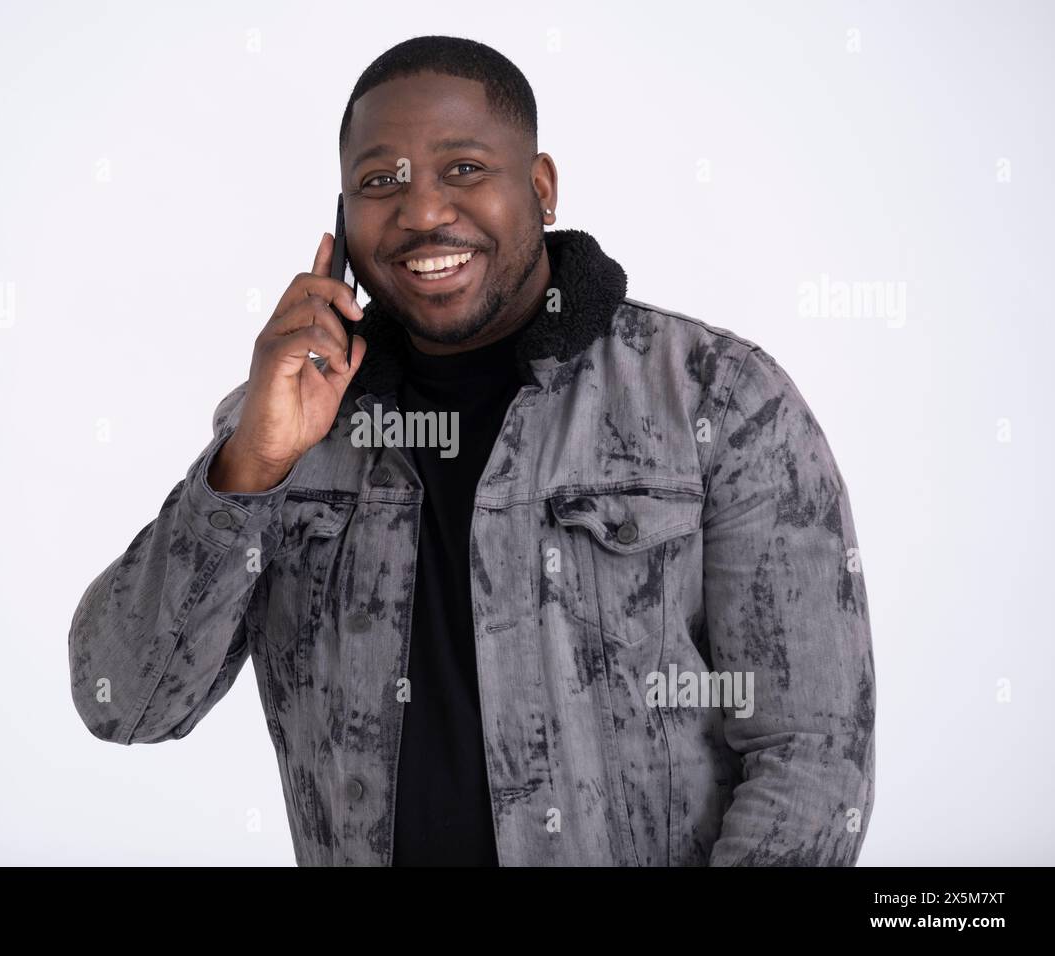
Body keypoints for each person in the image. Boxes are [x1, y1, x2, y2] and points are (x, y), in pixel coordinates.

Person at [67, 35, 875, 867]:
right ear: (342, 225)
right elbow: (124, 702)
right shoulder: (284, 426)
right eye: (380, 182)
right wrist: (253, 466)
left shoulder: (717, 396)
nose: (421, 213)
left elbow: (813, 756)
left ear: (541, 187)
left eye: (463, 168)